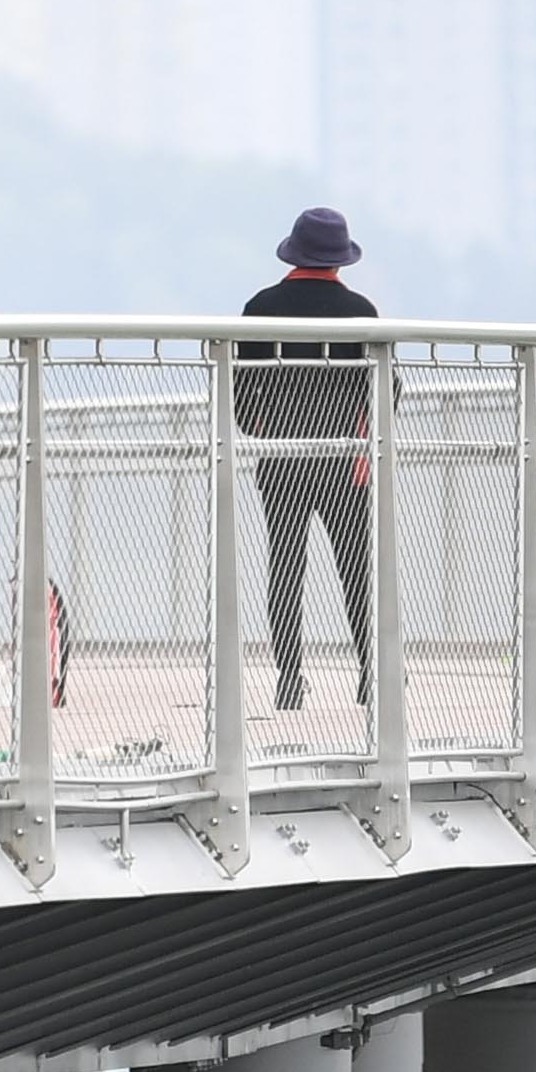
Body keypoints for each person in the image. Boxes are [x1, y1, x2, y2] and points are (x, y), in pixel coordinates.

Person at [235, 207, 377, 712]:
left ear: (294, 251)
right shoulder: (362, 313)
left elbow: (242, 401)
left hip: (283, 461)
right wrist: (363, 440)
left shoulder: (260, 308)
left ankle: (290, 678)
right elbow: (385, 392)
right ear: (341, 260)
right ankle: (372, 676)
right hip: (346, 463)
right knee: (358, 573)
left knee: (286, 568)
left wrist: (269, 430)